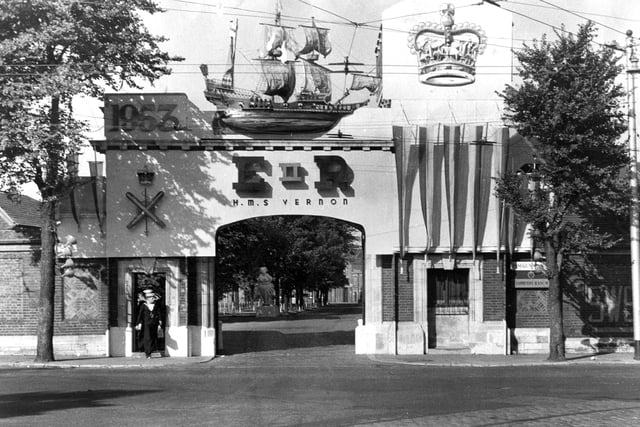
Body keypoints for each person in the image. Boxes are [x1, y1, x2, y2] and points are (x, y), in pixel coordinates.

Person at [135, 290, 164, 358]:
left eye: (153, 298)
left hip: (154, 323)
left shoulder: (156, 305)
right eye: (151, 298)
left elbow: (159, 313)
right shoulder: (143, 305)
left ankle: (152, 349)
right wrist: (138, 323)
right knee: (147, 338)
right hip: (146, 324)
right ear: (148, 299)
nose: (153, 299)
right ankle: (148, 353)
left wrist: (160, 321)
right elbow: (140, 315)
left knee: (153, 337)